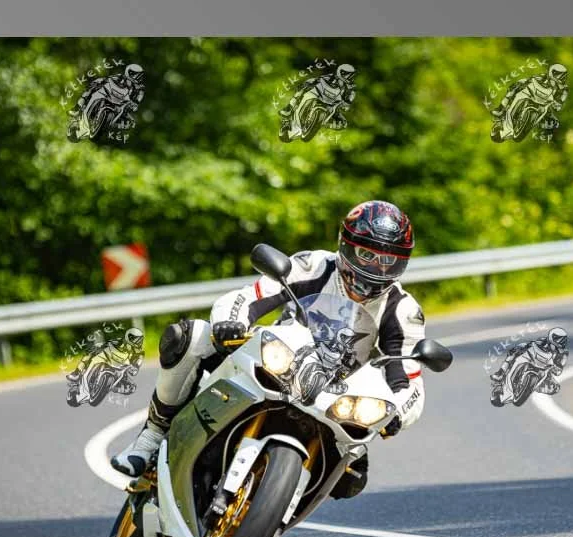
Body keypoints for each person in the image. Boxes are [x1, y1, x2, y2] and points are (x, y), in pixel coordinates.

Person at [111, 200, 426, 498]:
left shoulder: (404, 311)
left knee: (352, 477)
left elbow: (409, 379)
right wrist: (231, 322)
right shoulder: (315, 265)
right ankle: (151, 436)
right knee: (189, 336)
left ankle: (277, 508)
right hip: (280, 361)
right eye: (367, 254)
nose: (377, 268)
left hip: (337, 399)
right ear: (346, 246)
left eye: (389, 260)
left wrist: (398, 412)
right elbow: (252, 296)